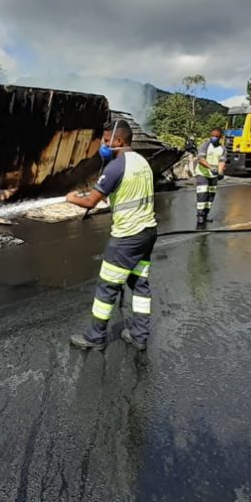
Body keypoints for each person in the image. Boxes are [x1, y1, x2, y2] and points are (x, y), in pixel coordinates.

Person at [67, 120, 157, 352]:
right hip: (147, 232)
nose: (104, 146)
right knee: (139, 284)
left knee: (107, 287)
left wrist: (71, 198)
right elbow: (129, 191)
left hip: (127, 236)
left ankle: (95, 338)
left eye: (107, 141)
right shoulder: (142, 162)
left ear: (119, 140)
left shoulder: (115, 167)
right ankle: (139, 335)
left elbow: (89, 202)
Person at [196, 128, 226, 227]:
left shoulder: (222, 149)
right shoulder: (205, 145)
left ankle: (205, 214)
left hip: (214, 175)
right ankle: (200, 215)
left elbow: (221, 161)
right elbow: (201, 159)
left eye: (217, 136)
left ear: (220, 137)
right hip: (203, 172)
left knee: (211, 195)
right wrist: (210, 167)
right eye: (213, 135)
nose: (214, 138)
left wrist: (220, 172)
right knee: (203, 193)